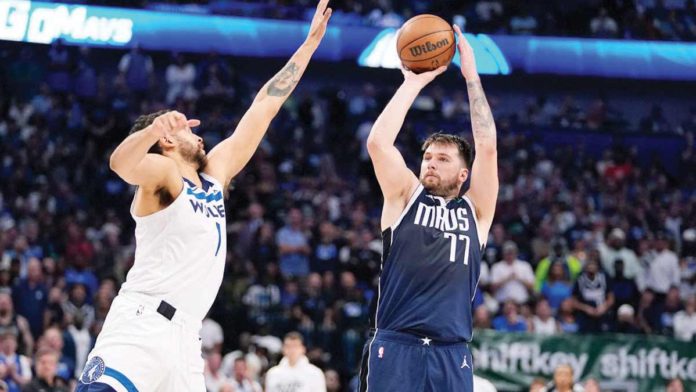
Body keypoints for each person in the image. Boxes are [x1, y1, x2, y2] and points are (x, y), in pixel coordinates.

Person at [75, 2, 333, 390]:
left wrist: (309, 45)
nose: (198, 132)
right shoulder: (163, 174)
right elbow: (120, 164)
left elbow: (263, 107)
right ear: (165, 140)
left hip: (185, 338)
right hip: (142, 324)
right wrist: (151, 130)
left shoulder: (213, 174)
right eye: (183, 127)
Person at [358, 24, 498, 391]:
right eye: (427, 157)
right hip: (396, 344)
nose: (431, 163)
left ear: (464, 173)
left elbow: (487, 147)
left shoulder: (477, 211)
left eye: (443, 158)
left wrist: (471, 77)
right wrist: (413, 83)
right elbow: (377, 143)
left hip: (452, 353)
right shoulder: (405, 195)